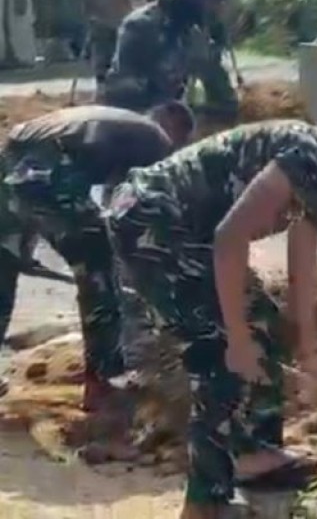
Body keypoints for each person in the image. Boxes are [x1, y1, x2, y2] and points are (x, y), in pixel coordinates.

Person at [103, 116, 317, 518]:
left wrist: (309, 352)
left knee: (266, 324)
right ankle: (204, 503)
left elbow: (302, 268)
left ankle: (255, 453)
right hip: (152, 219)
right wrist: (236, 336)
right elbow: (229, 237)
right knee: (218, 356)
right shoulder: (308, 157)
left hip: (180, 227)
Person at [0, 101, 195, 406]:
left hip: (12, 161)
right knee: (98, 266)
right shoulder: (156, 138)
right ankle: (101, 380)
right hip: (51, 173)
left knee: (4, 263)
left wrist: (27, 240)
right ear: (176, 129)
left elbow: (109, 199)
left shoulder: (117, 124)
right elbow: (134, 208)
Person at [98, 0, 236, 122]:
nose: (214, 8)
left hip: (165, 107)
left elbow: (208, 69)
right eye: (214, 1)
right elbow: (129, 80)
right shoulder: (143, 23)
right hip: (131, 109)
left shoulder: (190, 27)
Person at [81, 0, 134, 83]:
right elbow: (86, 9)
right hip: (100, 29)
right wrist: (93, 19)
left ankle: (116, 84)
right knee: (100, 60)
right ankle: (101, 85)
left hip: (116, 29)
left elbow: (128, 10)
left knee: (116, 60)